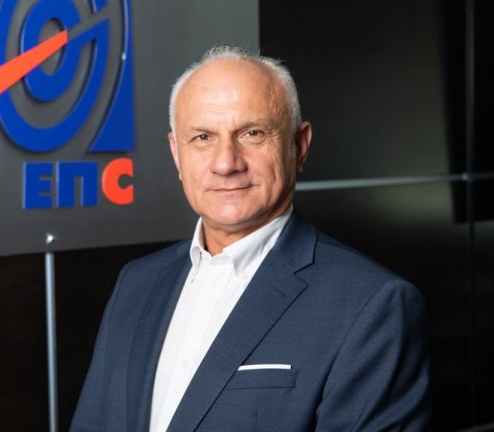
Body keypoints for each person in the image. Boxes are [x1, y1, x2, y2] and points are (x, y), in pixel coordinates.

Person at [70, 47, 430, 431]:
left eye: (252, 133)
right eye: (203, 137)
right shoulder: (137, 283)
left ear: (299, 146)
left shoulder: (372, 304)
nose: (226, 163)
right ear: (177, 154)